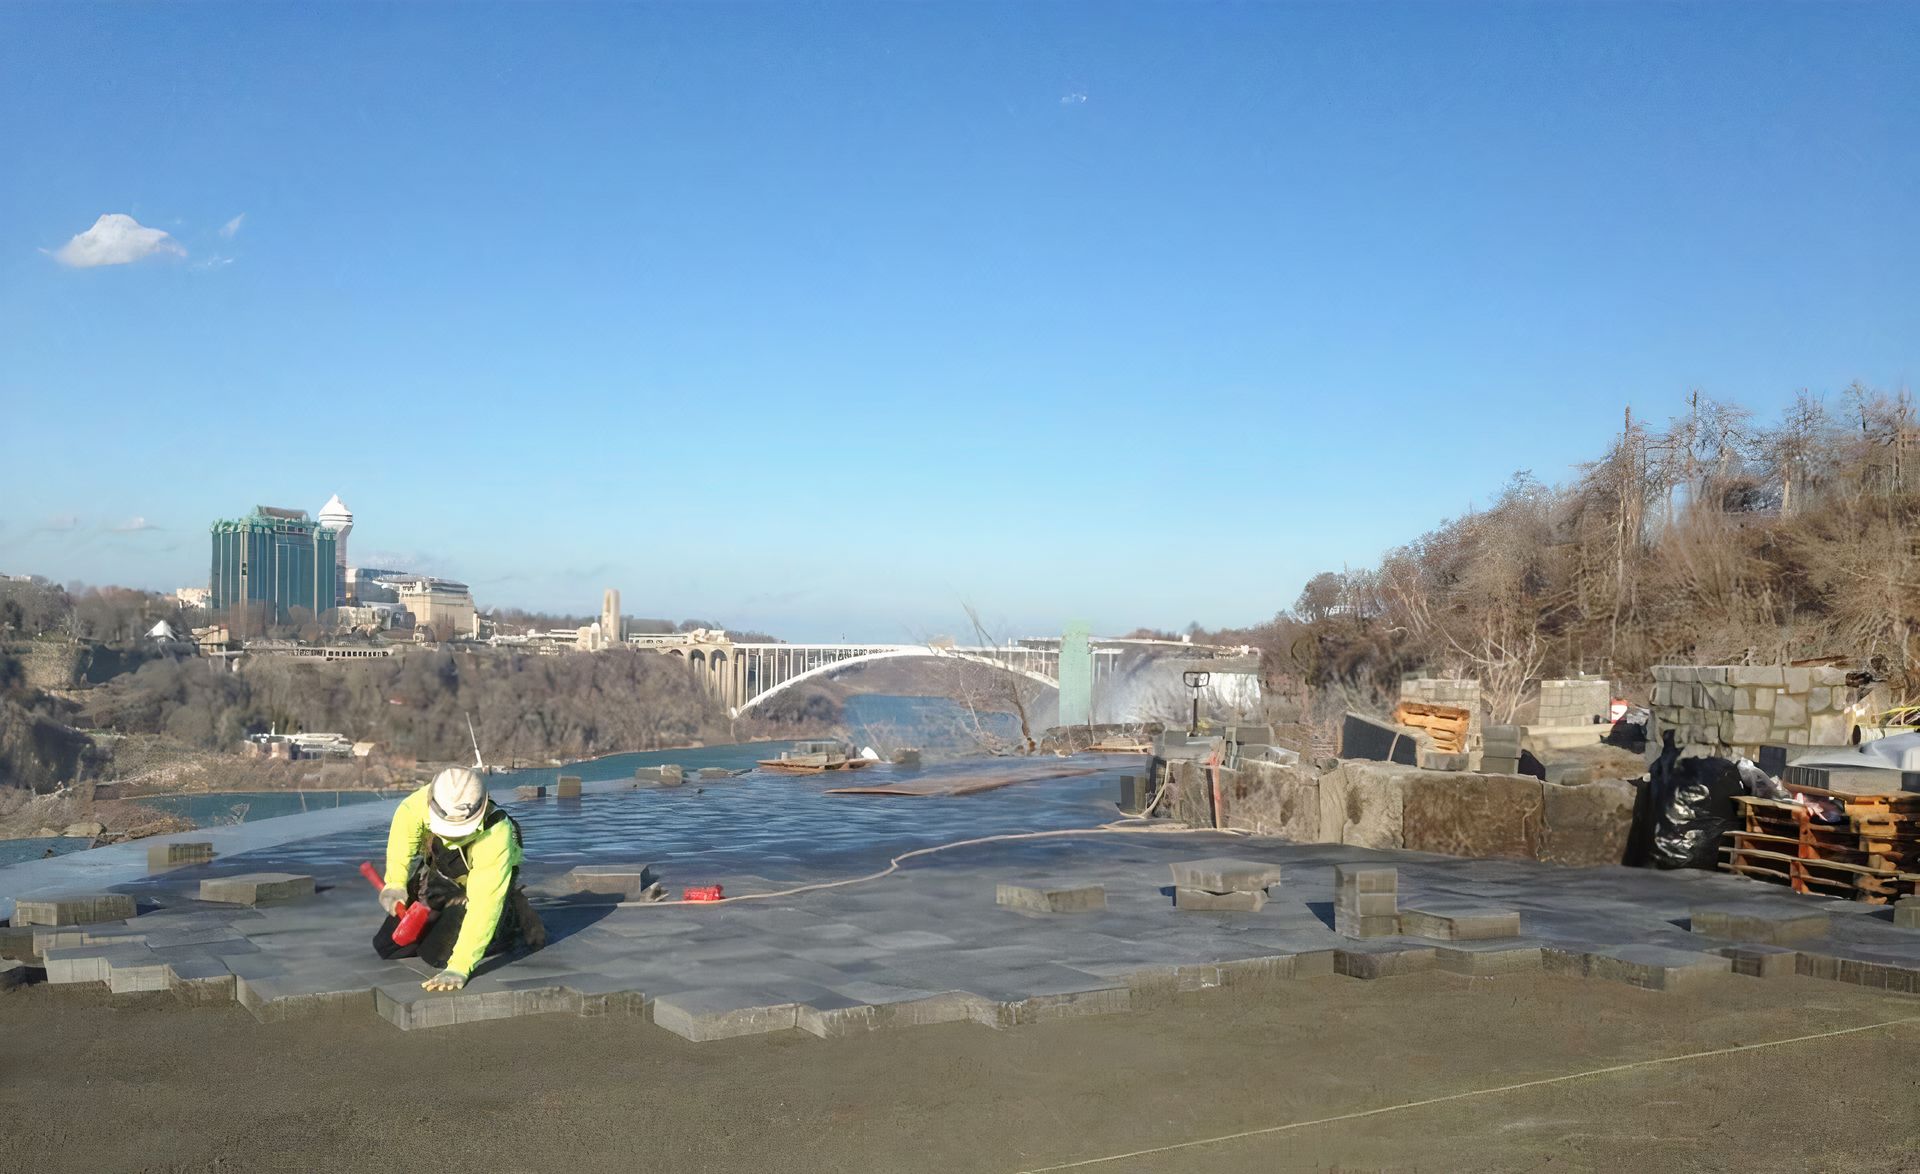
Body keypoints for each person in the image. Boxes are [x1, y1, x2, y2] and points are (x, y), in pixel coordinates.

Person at [372, 766, 544, 991]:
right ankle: (448, 917)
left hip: (477, 890)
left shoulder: (496, 834)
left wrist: (461, 965)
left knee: (437, 957)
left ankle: (508, 921)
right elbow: (401, 844)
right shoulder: (418, 804)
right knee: (388, 947)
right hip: (440, 876)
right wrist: (395, 884)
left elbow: (484, 904)